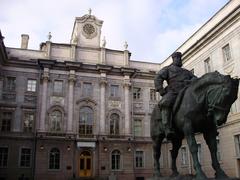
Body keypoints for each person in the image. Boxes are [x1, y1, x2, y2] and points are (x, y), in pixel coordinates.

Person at [155, 52, 197, 138]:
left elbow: (195, 78)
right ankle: (167, 128)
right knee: (165, 103)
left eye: (180, 58)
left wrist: (193, 81)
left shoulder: (186, 72)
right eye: (177, 58)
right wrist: (161, 90)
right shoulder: (168, 69)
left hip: (187, 91)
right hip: (174, 91)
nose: (179, 60)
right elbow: (158, 77)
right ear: (174, 59)